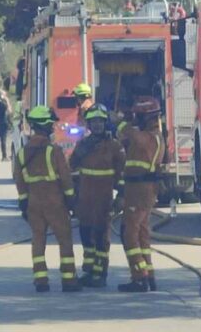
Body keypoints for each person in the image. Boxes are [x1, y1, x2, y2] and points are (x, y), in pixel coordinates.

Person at [14, 106, 81, 293]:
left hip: (34, 203)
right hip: (55, 202)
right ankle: (69, 280)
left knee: (38, 240)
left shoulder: (22, 153)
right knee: (65, 239)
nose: (53, 128)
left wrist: (24, 202)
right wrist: (71, 200)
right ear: (44, 126)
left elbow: (19, 181)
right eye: (51, 125)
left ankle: (40, 280)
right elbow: (66, 179)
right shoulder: (54, 151)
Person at [112, 97, 165, 293]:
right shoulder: (155, 137)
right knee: (142, 233)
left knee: (129, 234)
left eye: (138, 117)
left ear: (146, 117)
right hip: (144, 190)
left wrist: (120, 121)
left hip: (139, 190)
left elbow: (132, 136)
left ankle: (139, 276)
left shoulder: (148, 138)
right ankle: (149, 275)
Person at [69, 104, 125, 288]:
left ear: (105, 123)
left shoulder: (114, 147)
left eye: (100, 121)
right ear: (89, 125)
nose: (97, 125)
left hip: (103, 200)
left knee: (102, 237)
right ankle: (89, 270)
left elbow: (121, 175)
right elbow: (71, 166)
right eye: (94, 122)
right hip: (85, 200)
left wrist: (121, 197)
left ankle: (101, 273)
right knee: (85, 234)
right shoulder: (83, 145)